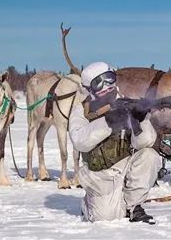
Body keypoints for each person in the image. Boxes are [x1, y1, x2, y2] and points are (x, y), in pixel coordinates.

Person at [68, 62, 161, 224]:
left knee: (149, 155)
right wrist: (108, 122)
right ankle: (87, 205)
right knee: (107, 218)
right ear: (89, 89)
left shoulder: (126, 104)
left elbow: (145, 142)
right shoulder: (81, 111)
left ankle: (134, 206)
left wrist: (141, 120)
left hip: (126, 164)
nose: (107, 86)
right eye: (99, 83)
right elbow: (80, 142)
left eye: (109, 79)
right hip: (101, 174)